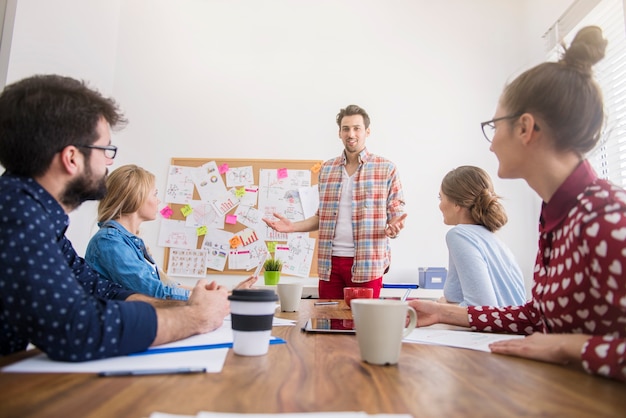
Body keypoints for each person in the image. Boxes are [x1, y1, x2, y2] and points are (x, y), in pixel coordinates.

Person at [409, 26, 626, 382]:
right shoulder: (557, 214)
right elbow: (539, 317)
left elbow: (558, 336)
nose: (491, 143)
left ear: (525, 128)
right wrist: (444, 313)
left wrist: (565, 346)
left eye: (495, 126)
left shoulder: (606, 217)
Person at [0, 74, 230, 362]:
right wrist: (195, 317)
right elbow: (77, 328)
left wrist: (190, 307)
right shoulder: (15, 214)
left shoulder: (35, 215)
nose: (110, 162)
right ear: (71, 158)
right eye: (106, 149)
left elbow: (99, 287)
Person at [263, 104, 407, 299]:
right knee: (328, 321)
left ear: (367, 132)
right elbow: (322, 217)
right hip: (330, 264)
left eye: (357, 128)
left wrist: (394, 227)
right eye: (346, 128)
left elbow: (397, 213)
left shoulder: (386, 168)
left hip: (368, 263)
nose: (351, 133)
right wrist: (292, 227)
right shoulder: (327, 169)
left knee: (363, 325)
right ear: (339, 133)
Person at [85, 164, 257, 300]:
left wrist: (229, 295)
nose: (158, 200)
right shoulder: (109, 242)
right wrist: (221, 298)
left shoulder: (130, 242)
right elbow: (155, 292)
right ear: (136, 197)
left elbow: (167, 286)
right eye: (155, 194)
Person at [438, 165, 526, 306]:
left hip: (495, 327)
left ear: (456, 204)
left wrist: (442, 307)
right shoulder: (492, 238)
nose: (440, 205)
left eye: (440, 198)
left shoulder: (459, 235)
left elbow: (482, 307)